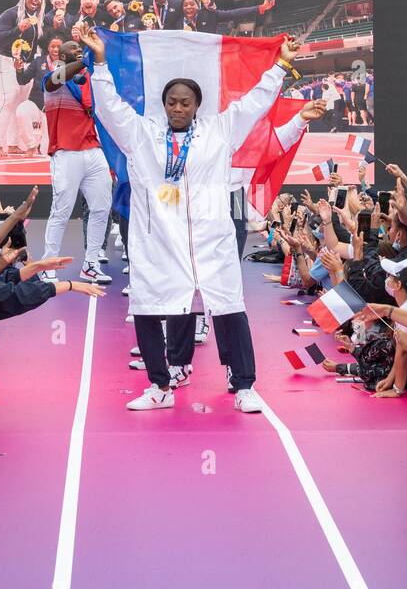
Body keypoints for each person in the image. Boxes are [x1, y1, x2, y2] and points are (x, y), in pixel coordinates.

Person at [78, 25, 301, 412]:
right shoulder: (141, 134)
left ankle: (245, 385)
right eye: (172, 102)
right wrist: (99, 63)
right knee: (149, 309)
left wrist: (281, 65)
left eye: (185, 102)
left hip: (210, 239)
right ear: (164, 105)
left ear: (196, 105)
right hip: (159, 242)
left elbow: (254, 102)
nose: (178, 108)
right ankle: (160, 386)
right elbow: (110, 106)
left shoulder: (220, 131)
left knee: (230, 307)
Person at [35, 39, 113, 284]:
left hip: (93, 149)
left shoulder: (88, 79)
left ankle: (90, 264)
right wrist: (83, 61)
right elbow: (53, 79)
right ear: (62, 55)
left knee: (101, 207)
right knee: (61, 211)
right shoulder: (53, 80)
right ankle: (49, 264)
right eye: (75, 51)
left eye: (81, 50)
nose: (80, 52)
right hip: (65, 151)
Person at [0, 0, 46, 157]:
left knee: (20, 104)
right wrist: (18, 30)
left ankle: (13, 144)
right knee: (8, 99)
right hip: (7, 60)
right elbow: (0, 38)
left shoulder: (37, 21)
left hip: (26, 64)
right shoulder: (10, 14)